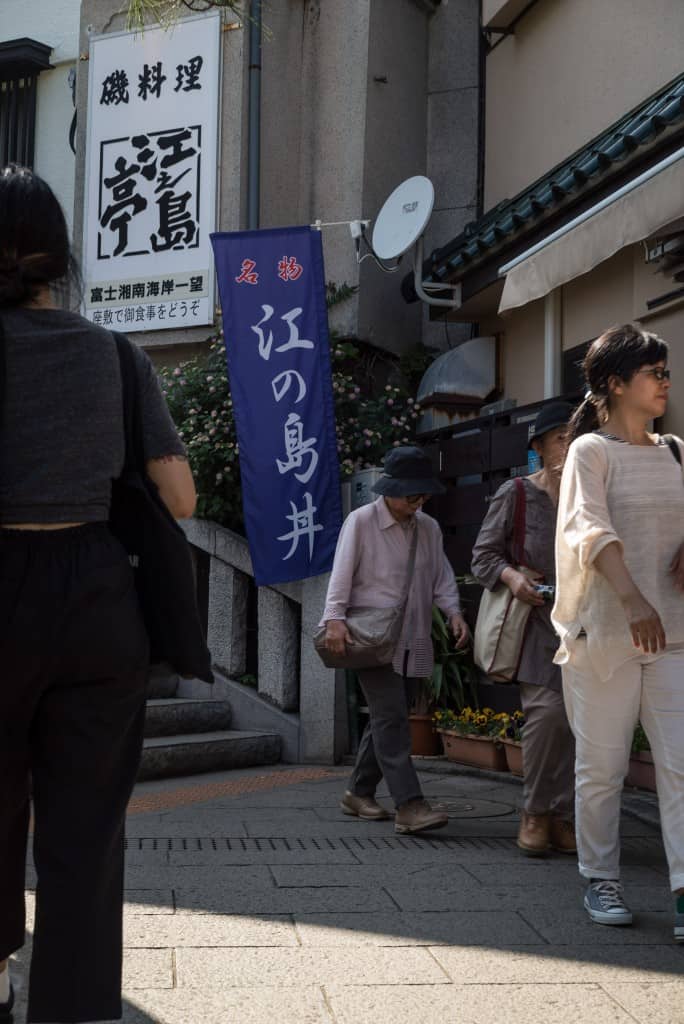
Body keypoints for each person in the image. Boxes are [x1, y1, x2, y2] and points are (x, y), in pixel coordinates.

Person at [0, 165, 196, 1022]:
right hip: (94, 599)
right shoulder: (115, 355)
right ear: (60, 254)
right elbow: (179, 497)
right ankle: (74, 1007)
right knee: (85, 827)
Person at [553, 323, 684, 941]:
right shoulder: (590, 451)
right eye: (654, 372)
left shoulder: (676, 451)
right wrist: (632, 600)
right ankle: (600, 877)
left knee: (681, 767)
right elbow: (588, 527)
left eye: (666, 372)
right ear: (615, 383)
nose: (665, 382)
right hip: (605, 635)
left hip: (675, 636)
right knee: (602, 767)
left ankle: (683, 891)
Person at [321, 445, 469, 835]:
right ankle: (409, 805)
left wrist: (454, 613)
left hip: (412, 633)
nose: (418, 502)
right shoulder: (361, 521)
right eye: (412, 494)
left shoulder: (428, 528)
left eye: (423, 495)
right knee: (392, 718)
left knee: (391, 713)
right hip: (370, 637)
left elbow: (441, 575)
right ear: (391, 489)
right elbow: (341, 572)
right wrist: (334, 618)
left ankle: (358, 792)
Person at [471, 402, 576, 856]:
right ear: (539, 446)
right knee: (548, 714)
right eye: (560, 437)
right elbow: (483, 557)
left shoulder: (592, 495)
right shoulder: (515, 493)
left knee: (578, 721)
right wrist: (514, 579)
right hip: (534, 622)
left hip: (585, 620)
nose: (569, 446)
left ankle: (563, 816)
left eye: (576, 437)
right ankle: (535, 812)